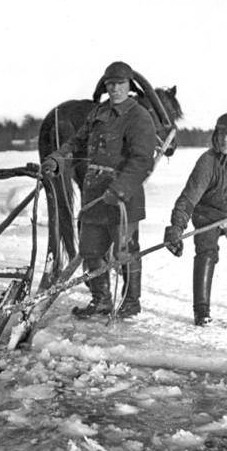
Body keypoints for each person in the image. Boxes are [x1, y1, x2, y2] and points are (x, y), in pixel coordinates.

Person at [42, 61, 156, 319]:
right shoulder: (98, 114)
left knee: (124, 251)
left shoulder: (139, 117)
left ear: (130, 86)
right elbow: (77, 142)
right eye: (110, 84)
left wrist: (120, 189)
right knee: (91, 249)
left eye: (120, 84)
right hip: (94, 193)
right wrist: (57, 159)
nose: (115, 89)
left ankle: (130, 302)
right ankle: (101, 301)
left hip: (122, 197)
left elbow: (142, 161)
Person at [163, 112, 227, 326]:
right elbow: (188, 198)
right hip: (208, 214)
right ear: (215, 135)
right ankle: (201, 311)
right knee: (207, 254)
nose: (225, 140)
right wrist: (176, 227)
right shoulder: (207, 162)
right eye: (221, 134)